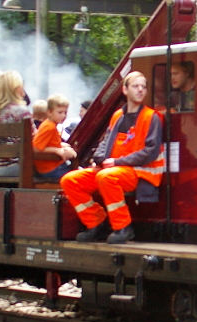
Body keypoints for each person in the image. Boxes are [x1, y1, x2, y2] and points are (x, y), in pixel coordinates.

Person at [60, 71, 164, 245]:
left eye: (143, 87)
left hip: (139, 172)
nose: (140, 90)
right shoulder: (117, 116)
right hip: (113, 169)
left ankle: (123, 228)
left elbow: (151, 152)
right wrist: (98, 159)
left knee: (105, 176)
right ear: (125, 90)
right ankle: (96, 223)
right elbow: (105, 142)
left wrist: (117, 162)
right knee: (70, 180)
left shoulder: (152, 117)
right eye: (135, 86)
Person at [0, 70, 32, 178]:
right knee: (56, 169)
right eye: (22, 85)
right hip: (13, 167)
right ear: (15, 88)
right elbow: (34, 140)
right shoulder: (21, 111)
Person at [33, 94, 78, 182]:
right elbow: (36, 148)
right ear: (49, 112)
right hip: (49, 169)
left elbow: (48, 143)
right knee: (76, 177)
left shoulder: (51, 125)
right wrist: (57, 150)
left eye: (65, 112)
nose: (63, 115)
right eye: (60, 112)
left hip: (53, 167)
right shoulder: (49, 127)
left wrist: (62, 145)